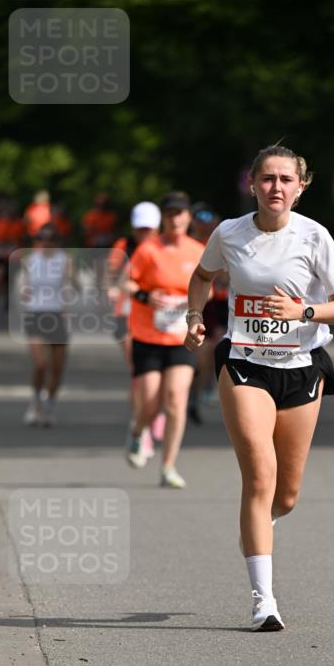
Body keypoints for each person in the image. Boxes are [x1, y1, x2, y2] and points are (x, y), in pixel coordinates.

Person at [185, 144, 334, 630]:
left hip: (302, 366)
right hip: (245, 364)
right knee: (259, 477)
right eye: (267, 179)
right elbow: (202, 277)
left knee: (285, 496)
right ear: (252, 185)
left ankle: (259, 525)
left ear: (301, 188)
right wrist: (194, 316)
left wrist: (302, 311)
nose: (275, 187)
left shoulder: (315, 237)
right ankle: (264, 602)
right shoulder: (230, 233)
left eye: (286, 179)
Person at [125, 191, 205, 488]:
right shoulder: (149, 249)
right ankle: (137, 432)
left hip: (182, 337)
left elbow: (209, 282)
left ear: (187, 217)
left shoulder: (197, 250)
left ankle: (168, 465)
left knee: (175, 400)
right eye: (169, 213)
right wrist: (147, 295)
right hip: (148, 334)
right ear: (163, 218)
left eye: (180, 213)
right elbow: (126, 281)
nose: (175, 218)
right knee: (149, 402)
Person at [106, 201, 162, 457]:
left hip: (158, 319)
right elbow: (109, 273)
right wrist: (113, 286)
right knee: (139, 373)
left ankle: (152, 413)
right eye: (140, 229)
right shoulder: (123, 247)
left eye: (149, 229)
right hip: (126, 315)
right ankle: (142, 425)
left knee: (159, 375)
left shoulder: (163, 248)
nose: (144, 234)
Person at [18, 222, 73, 426]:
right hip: (36, 314)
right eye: (42, 238)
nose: (46, 242)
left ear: (57, 241)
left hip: (58, 315)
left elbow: (74, 287)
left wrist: (72, 281)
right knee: (41, 364)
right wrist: (23, 291)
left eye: (51, 239)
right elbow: (23, 285)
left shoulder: (65, 260)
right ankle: (35, 403)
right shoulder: (29, 260)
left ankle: (49, 404)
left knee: (57, 368)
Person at [187, 202, 228, 422]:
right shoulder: (187, 244)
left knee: (216, 347)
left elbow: (225, 276)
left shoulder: (220, 241)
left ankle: (206, 387)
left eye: (209, 220)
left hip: (219, 304)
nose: (205, 225)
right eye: (199, 220)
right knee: (199, 352)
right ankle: (193, 393)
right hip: (194, 303)